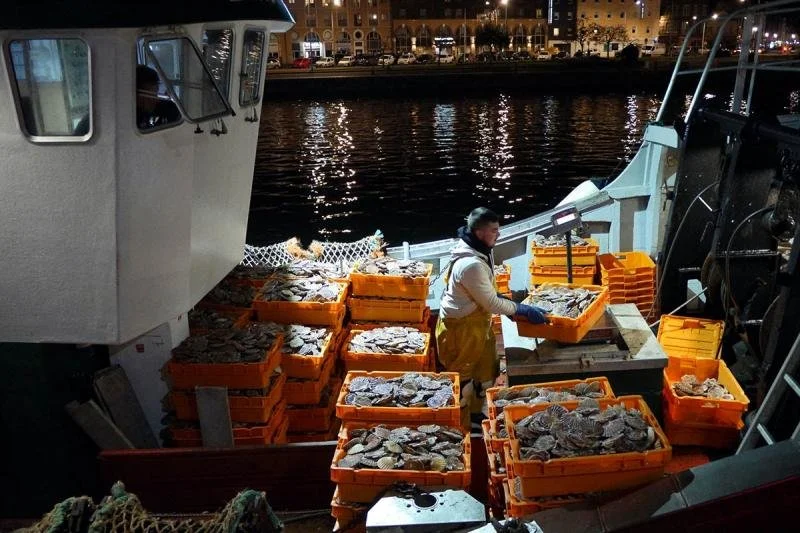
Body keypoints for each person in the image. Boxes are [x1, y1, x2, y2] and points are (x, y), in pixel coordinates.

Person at [436, 207, 548, 429]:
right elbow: (492, 303)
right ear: (479, 232)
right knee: (464, 378)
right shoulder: (470, 264)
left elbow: (488, 293)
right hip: (460, 328)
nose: (499, 234)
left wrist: (511, 307)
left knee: (487, 369)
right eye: (494, 230)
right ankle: (459, 426)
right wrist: (520, 310)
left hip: (478, 323)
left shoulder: (481, 249)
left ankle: (477, 415)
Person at [136, 64, 181, 130]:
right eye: (150, 96)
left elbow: (168, 107)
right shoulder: (132, 121)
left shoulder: (147, 107)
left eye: (156, 94)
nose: (157, 100)